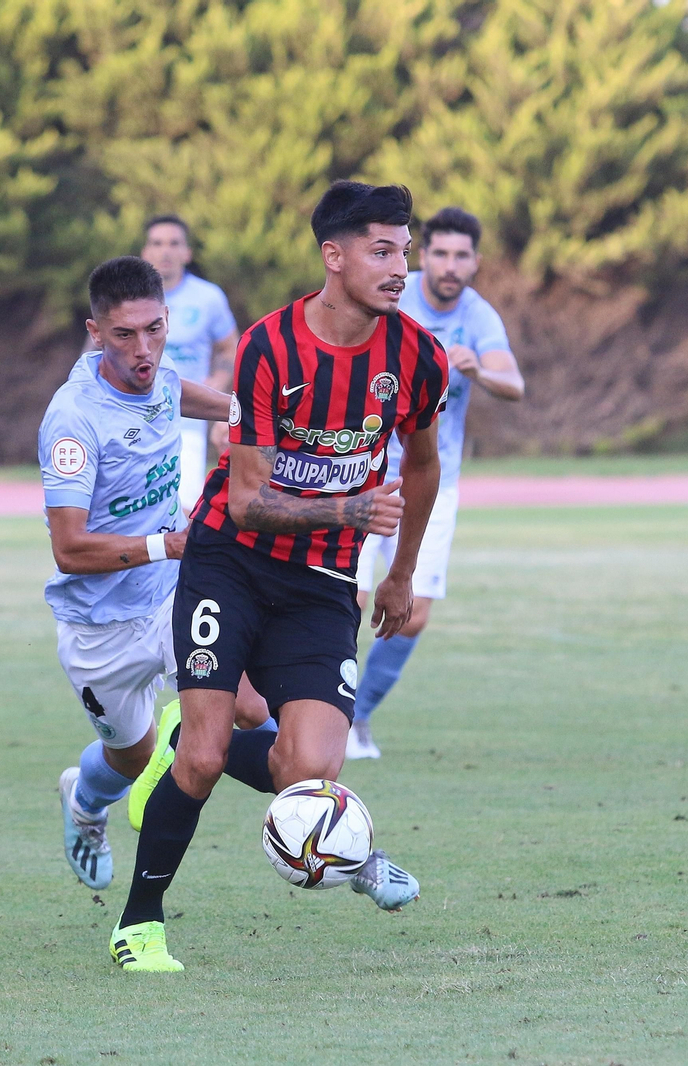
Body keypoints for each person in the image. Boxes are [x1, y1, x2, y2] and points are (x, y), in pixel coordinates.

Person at [108, 181, 448, 973]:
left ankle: (217, 746)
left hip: (324, 582)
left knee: (308, 771)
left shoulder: (416, 355)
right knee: (198, 756)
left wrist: (399, 575)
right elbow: (249, 500)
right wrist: (349, 510)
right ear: (334, 257)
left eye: (406, 251)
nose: (402, 267)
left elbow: (423, 467)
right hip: (231, 562)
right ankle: (141, 924)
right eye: (382, 250)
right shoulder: (270, 346)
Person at [38, 256, 268, 890]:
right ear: (94, 331)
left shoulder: (156, 371)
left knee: (250, 707)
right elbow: (69, 549)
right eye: (124, 335)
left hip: (173, 595)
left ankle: (319, 825)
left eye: (155, 330)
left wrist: (256, 416)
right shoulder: (73, 421)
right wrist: (169, 543)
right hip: (98, 626)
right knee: (130, 757)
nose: (144, 349)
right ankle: (84, 803)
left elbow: (188, 393)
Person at [350, 206, 525, 759]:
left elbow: (513, 385)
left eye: (462, 255)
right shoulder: (392, 296)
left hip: (432, 481)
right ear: (424, 256)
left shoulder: (478, 316)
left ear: (475, 262)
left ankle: (355, 719)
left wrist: (478, 371)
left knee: (413, 611)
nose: (451, 265)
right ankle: (312, 711)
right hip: (363, 471)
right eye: (441, 253)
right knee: (345, 598)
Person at [141, 215, 240, 511]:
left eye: (174, 243)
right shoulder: (129, 297)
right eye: (157, 243)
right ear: (146, 251)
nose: (165, 251)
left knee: (182, 509)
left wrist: (218, 382)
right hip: (135, 416)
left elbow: (229, 347)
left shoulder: (207, 297)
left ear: (187, 253)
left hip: (186, 418)